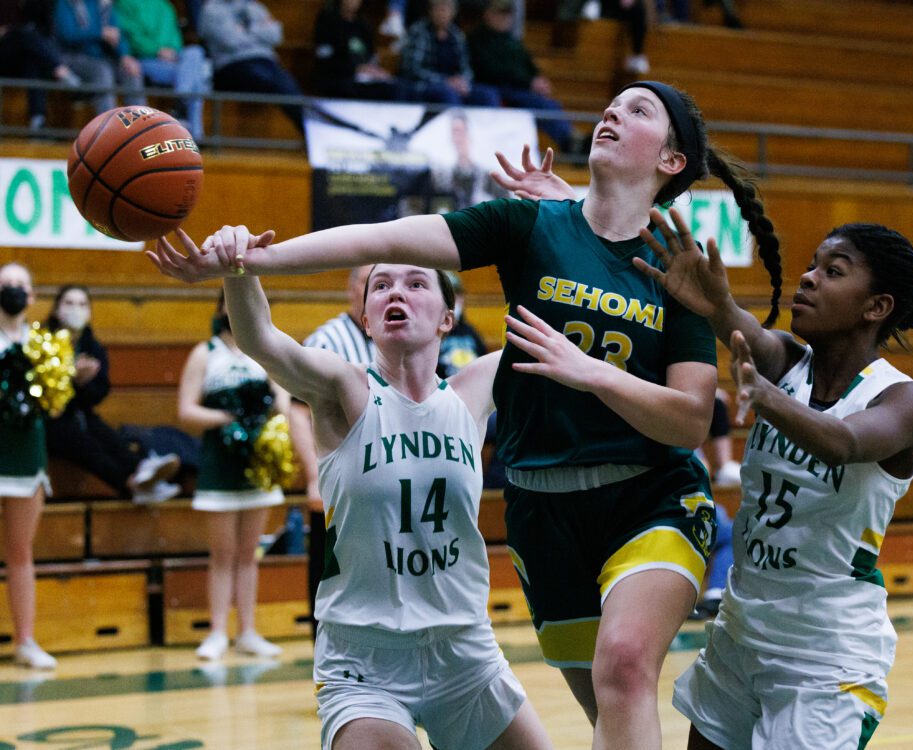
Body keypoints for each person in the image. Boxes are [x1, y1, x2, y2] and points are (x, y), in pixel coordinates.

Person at [148, 79, 784, 749]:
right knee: (613, 715)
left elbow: (689, 421)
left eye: (638, 109)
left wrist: (588, 371)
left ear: (672, 161)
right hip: (545, 514)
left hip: (648, 495)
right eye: (612, 102)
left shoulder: (674, 268)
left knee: (624, 666)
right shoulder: (528, 225)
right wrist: (253, 257)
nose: (612, 111)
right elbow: (383, 234)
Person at [154, 241, 554, 749]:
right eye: (381, 285)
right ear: (366, 320)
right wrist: (237, 267)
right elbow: (262, 341)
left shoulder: (474, 389)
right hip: (365, 660)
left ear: (447, 319)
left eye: (415, 283)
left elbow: (560, 326)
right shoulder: (344, 389)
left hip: (465, 650)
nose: (397, 293)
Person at [634, 211, 913, 749]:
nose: (809, 277)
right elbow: (738, 326)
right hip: (742, 630)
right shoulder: (787, 359)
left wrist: (765, 396)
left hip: (826, 654)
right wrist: (714, 304)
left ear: (877, 307)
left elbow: (843, 442)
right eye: (811, 266)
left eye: (834, 271)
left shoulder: (905, 399)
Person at [178, 293, 292, 660]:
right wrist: (229, 419)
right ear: (219, 309)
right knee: (222, 554)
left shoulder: (265, 352)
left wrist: (264, 413)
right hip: (219, 461)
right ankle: (216, 633)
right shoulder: (204, 352)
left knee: (248, 553)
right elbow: (186, 411)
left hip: (257, 465)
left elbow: (283, 402)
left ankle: (247, 631)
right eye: (229, 303)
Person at [291, 265, 375, 641]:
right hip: (340, 477)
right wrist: (313, 476)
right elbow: (296, 409)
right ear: (351, 290)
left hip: (383, 478)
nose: (376, 292)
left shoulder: (395, 337)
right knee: (332, 575)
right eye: (369, 283)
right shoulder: (326, 338)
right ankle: (327, 671)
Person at [44, 285, 181, 504]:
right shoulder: (43, 342)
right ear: (55, 310)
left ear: (89, 312)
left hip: (80, 414)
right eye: (68, 303)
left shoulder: (93, 347)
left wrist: (82, 384)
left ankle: (143, 469)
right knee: (83, 442)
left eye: (81, 304)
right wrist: (70, 377)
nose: (75, 309)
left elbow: (98, 394)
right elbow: (40, 392)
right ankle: (132, 483)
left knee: (102, 431)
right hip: (49, 420)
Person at [0, 262, 57, 669]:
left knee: (20, 551)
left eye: (22, 285)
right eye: (7, 285)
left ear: (33, 296)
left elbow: (55, 402)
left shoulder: (46, 346)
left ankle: (25, 641)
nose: (15, 291)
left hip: (27, 452)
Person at [468, 0, 577, 153]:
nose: (504, 18)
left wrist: (538, 79)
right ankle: (569, 141)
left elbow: (530, 66)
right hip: (496, 88)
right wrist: (529, 82)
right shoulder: (477, 39)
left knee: (549, 104)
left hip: (519, 90)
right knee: (536, 102)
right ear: (488, 14)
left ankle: (570, 140)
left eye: (507, 14)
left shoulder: (513, 41)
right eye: (499, 13)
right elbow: (491, 70)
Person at [197, 0, 306, 133]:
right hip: (232, 64)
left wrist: (245, 29)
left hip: (266, 61)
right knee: (264, 77)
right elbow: (230, 40)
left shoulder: (255, 6)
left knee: (288, 84)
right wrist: (260, 29)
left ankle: (308, 131)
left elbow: (276, 35)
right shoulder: (211, 10)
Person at [114, 0, 209, 140]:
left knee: (195, 52)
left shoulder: (165, 6)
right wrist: (157, 50)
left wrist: (171, 51)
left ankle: (182, 100)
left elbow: (176, 40)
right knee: (196, 78)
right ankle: (195, 134)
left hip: (171, 62)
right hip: (144, 59)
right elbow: (132, 38)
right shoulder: (124, 4)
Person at [398, 0, 501, 107]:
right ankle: (456, 123)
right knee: (448, 94)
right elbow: (413, 69)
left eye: (446, 9)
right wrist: (445, 82)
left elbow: (466, 68)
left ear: (453, 13)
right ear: (431, 11)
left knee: (488, 94)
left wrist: (462, 82)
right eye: (439, 9)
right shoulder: (419, 31)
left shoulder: (456, 35)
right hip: (424, 85)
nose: (442, 13)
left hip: (453, 85)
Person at [53, 0, 146, 116]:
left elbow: (115, 33)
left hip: (100, 58)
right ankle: (108, 127)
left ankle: (139, 123)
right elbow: (68, 34)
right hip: (72, 57)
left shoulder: (97, 4)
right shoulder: (63, 3)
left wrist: (124, 56)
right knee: (102, 71)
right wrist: (99, 33)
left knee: (131, 71)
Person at [0, 0, 82, 131]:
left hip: (27, 55)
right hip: (4, 54)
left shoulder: (37, 4)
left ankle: (37, 120)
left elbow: (46, 31)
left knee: (32, 59)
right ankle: (61, 70)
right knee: (23, 34)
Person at [312, 0, 399, 101]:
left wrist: (375, 70)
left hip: (364, 77)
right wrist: (355, 69)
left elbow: (371, 54)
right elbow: (324, 60)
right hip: (339, 77)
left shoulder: (362, 23)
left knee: (394, 87)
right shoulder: (327, 21)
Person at [436, 271, 488, 379]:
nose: (453, 302)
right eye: (448, 297)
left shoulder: (471, 333)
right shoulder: (430, 334)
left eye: (457, 296)